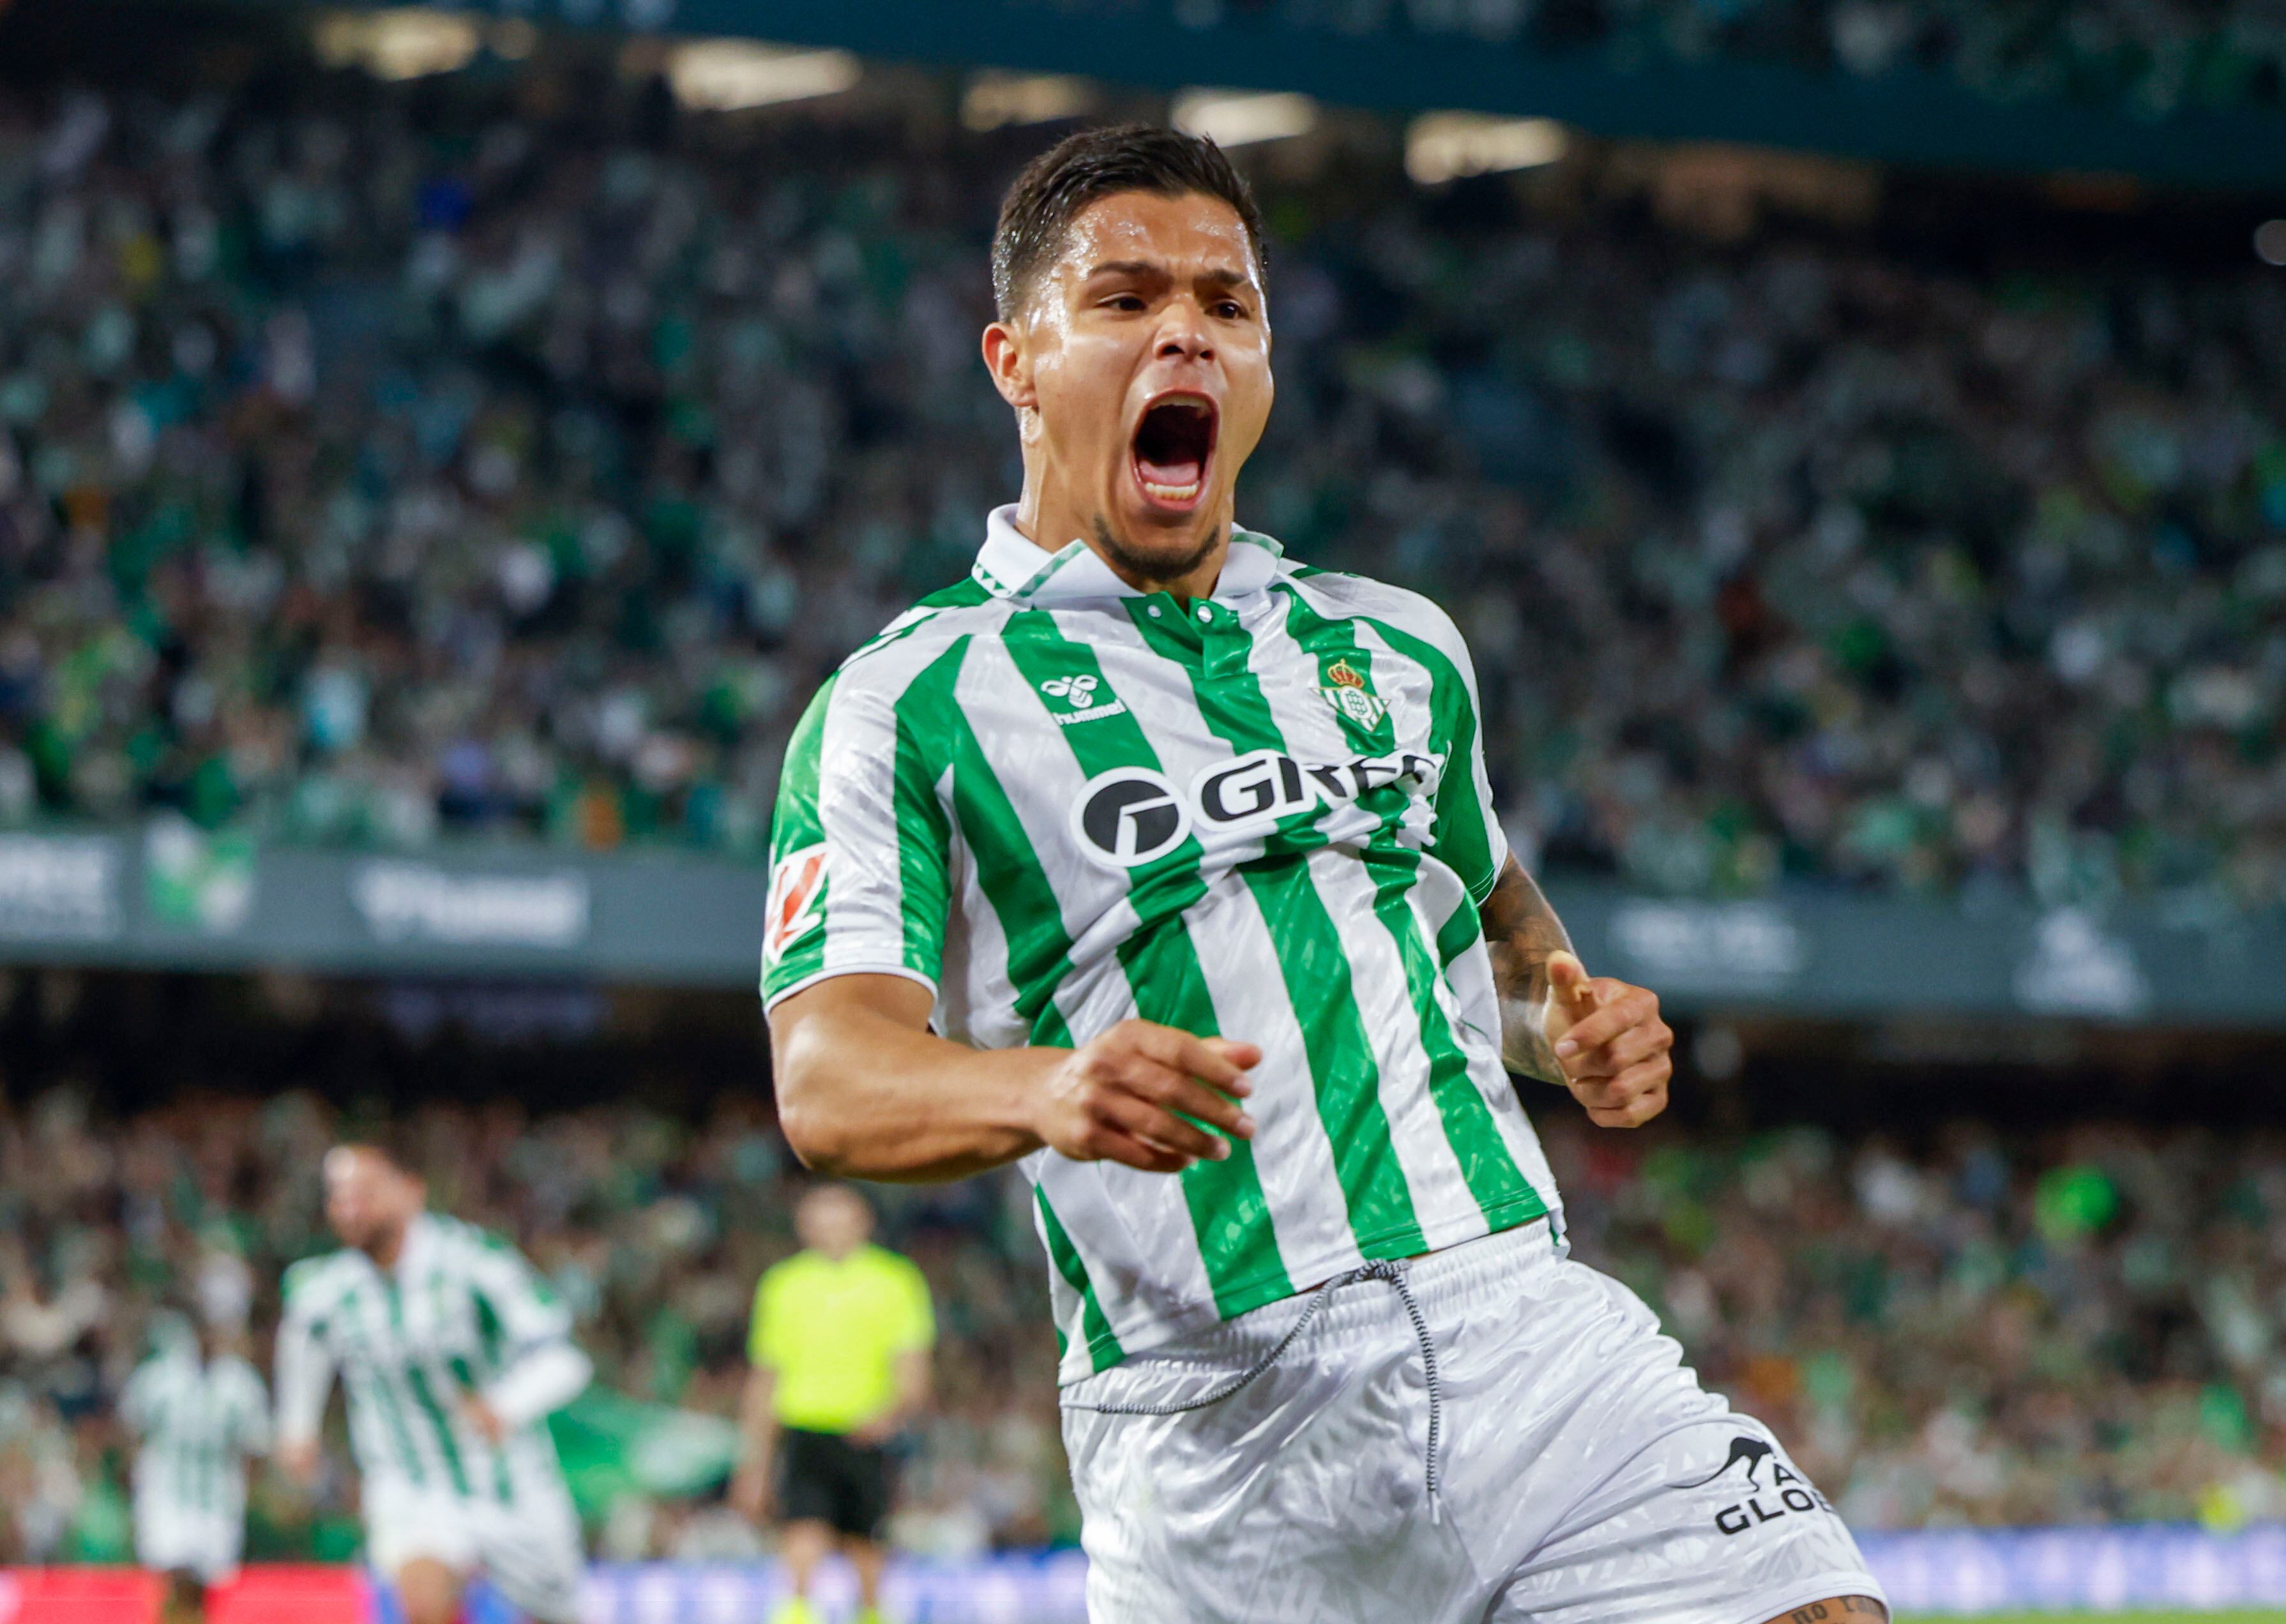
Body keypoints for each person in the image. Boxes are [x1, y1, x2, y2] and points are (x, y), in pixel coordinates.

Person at [761, 121, 1887, 1624]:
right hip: (1220, 1429)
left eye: (1228, 305)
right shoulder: (910, 699)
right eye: (1125, 299)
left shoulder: (1397, 645)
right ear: (1015, 360)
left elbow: (1497, 937)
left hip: (1527, 1336)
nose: (1187, 330)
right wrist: (1043, 1089)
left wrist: (1567, 1026)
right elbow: (828, 1077)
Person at [273, 1143, 593, 1624]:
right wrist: (297, 1427)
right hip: (412, 1484)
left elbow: (565, 1357)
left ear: (411, 1193)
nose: (350, 1208)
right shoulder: (326, 1289)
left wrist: (505, 1404)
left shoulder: (474, 1263)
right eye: (338, 1197)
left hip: (509, 1484)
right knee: (423, 1604)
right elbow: (304, 1342)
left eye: (365, 1193)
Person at [732, 1184, 934, 1624]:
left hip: (867, 1433)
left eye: (841, 1218)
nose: (831, 1229)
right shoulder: (784, 1285)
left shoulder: (895, 1281)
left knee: (867, 1547)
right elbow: (765, 1377)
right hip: (805, 1429)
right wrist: (755, 1464)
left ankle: (871, 1614)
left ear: (865, 1222)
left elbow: (913, 1367)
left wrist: (891, 1415)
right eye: (821, 1219)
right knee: (803, 1536)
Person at [121, 1308, 269, 1623]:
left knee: (206, 1586)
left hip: (218, 1500)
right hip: (166, 1496)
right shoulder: (158, 1379)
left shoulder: (241, 1385)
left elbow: (255, 1447)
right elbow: (130, 1431)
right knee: (172, 1576)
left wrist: (246, 1493)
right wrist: (137, 1482)